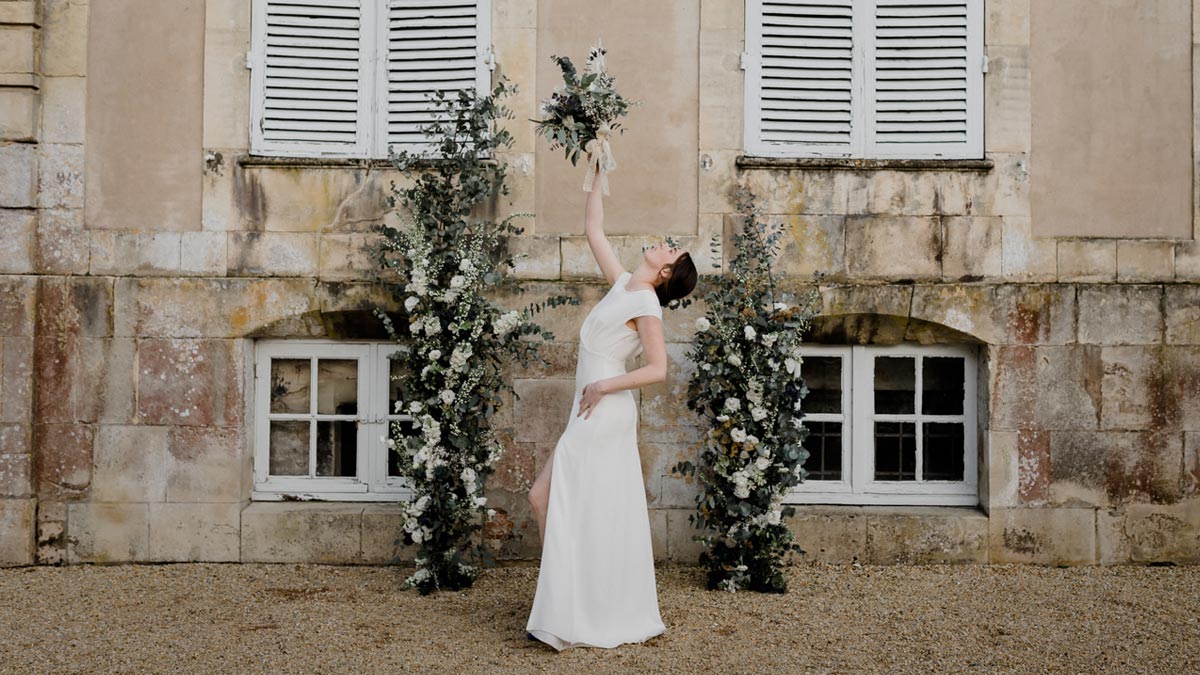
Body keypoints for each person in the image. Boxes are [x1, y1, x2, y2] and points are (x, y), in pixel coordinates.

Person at [524, 168, 698, 651]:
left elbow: (659, 368)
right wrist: (597, 171)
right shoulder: (624, 284)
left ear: (666, 273)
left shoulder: (646, 302)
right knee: (556, 501)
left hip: (604, 410)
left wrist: (604, 384)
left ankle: (571, 607)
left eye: (671, 250)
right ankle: (570, 603)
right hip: (590, 410)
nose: (664, 245)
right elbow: (594, 231)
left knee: (545, 496)